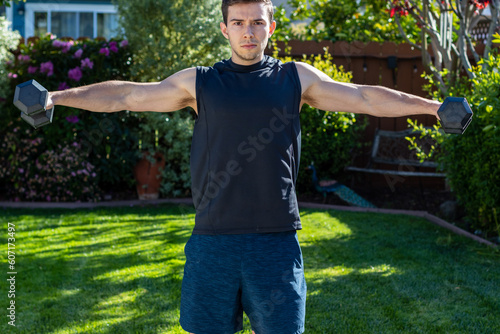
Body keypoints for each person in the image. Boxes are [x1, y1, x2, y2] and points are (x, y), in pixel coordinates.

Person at [47, 1, 441, 333]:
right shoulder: (199, 83)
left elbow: (365, 98)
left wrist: (433, 107)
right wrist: (55, 96)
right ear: (224, 29)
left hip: (275, 241)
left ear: (271, 26)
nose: (248, 31)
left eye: (256, 22)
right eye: (238, 23)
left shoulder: (294, 78)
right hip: (213, 241)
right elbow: (127, 95)